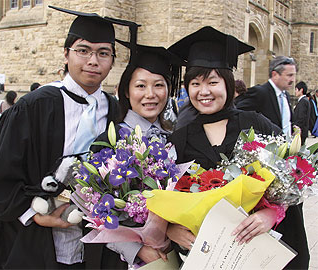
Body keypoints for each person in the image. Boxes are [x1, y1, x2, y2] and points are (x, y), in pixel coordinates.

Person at [0, 6, 137, 269]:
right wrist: (34, 214)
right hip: (37, 243)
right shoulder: (34, 106)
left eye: (103, 53)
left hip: (94, 245)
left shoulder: (114, 109)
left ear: (112, 60)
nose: (93, 60)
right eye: (83, 50)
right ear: (66, 54)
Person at [167, 26, 309, 269]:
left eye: (213, 82)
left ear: (228, 83)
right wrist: (171, 230)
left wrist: (273, 213)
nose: (204, 92)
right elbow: (169, 200)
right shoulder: (180, 140)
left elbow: (294, 181)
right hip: (211, 256)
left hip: (260, 251)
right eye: (194, 83)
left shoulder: (256, 124)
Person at [91, 41, 183, 268]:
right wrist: (137, 249)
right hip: (120, 260)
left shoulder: (174, 140)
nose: (150, 95)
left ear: (168, 90)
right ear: (126, 91)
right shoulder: (108, 142)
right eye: (141, 86)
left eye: (159, 85)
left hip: (168, 254)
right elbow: (95, 209)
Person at [236, 56, 296, 138]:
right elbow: (237, 112)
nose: (292, 80)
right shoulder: (260, 93)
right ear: (275, 75)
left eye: (293, 75)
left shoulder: (286, 96)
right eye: (289, 75)